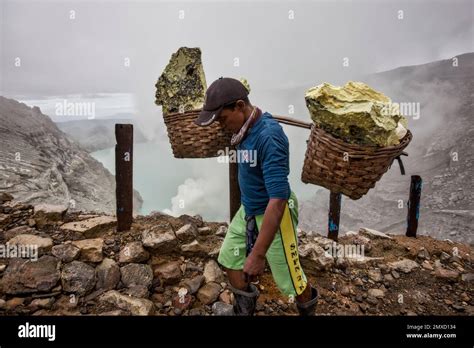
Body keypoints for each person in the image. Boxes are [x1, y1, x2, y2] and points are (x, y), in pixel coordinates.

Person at [195, 77, 318, 316]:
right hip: (249, 209)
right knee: (230, 258)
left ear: (239, 106)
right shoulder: (244, 128)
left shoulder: (269, 137)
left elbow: (279, 198)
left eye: (222, 119)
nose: (221, 125)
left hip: (275, 213)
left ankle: (307, 310)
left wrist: (258, 254)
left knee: (291, 280)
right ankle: (244, 312)